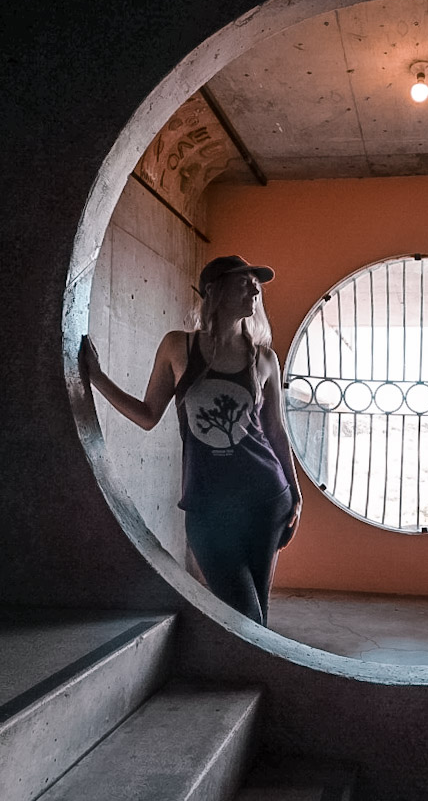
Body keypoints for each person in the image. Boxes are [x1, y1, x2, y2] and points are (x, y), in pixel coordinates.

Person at [81, 255, 302, 626]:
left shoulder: (264, 358)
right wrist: (98, 379)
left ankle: (249, 679)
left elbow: (276, 432)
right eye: (243, 281)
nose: (255, 288)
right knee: (241, 611)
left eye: (256, 284)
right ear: (214, 291)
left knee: (257, 614)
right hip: (207, 504)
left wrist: (296, 494)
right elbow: (148, 415)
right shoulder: (177, 346)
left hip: (265, 498)